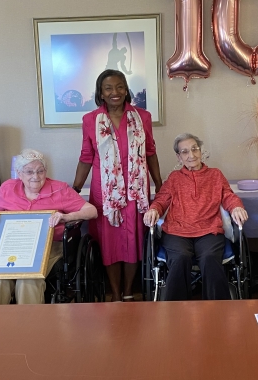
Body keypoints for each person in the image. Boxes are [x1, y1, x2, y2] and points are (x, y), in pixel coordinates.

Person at [73, 69, 163, 302]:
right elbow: (86, 157)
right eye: (109, 88)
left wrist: (159, 184)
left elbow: (150, 152)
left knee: (132, 241)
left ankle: (128, 292)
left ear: (126, 89)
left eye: (120, 86)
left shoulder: (142, 117)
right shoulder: (90, 120)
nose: (115, 92)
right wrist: (74, 189)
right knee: (110, 243)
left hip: (136, 192)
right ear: (100, 93)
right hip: (105, 194)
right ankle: (114, 292)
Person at [0, 149, 97, 305]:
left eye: (40, 171)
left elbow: (92, 211)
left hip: (49, 246)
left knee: (28, 279)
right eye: (29, 172)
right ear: (19, 173)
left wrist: (66, 217)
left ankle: (31, 326)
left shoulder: (59, 189)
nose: (35, 176)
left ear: (46, 171)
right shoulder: (8, 188)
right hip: (12, 246)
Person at [143, 133, 248, 300]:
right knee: (180, 258)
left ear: (200, 151)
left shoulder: (215, 175)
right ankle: (176, 311)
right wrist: (154, 210)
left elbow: (228, 195)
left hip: (209, 231)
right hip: (177, 231)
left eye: (194, 149)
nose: (191, 155)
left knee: (210, 258)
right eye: (185, 152)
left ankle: (217, 311)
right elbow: (161, 199)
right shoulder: (174, 178)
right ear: (179, 157)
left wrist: (236, 207)